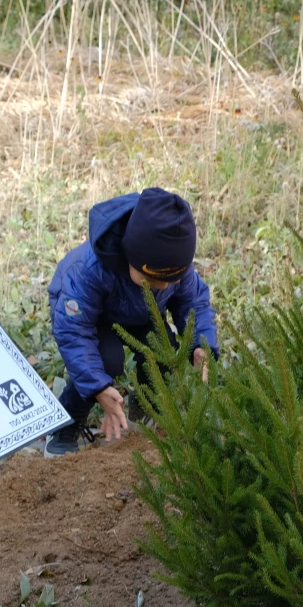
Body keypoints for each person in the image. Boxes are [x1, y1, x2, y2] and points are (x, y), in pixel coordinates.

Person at [45, 187, 218, 457]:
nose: (164, 286)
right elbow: (74, 332)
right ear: (132, 257)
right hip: (86, 316)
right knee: (106, 360)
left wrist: (201, 344)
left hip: (138, 311)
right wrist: (99, 388)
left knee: (161, 348)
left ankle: (145, 410)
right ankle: (65, 425)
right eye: (155, 279)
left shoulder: (172, 266)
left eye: (172, 280)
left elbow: (193, 303)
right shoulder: (89, 270)